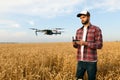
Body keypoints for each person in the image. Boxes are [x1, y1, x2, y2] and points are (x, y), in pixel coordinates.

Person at [73, 10, 103, 80]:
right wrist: (74, 44)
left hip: (91, 61)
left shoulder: (96, 29)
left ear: (89, 17)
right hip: (80, 60)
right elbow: (77, 46)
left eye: (83, 17)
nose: (82, 19)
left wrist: (85, 43)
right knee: (79, 78)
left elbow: (99, 45)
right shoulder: (78, 31)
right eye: (81, 18)